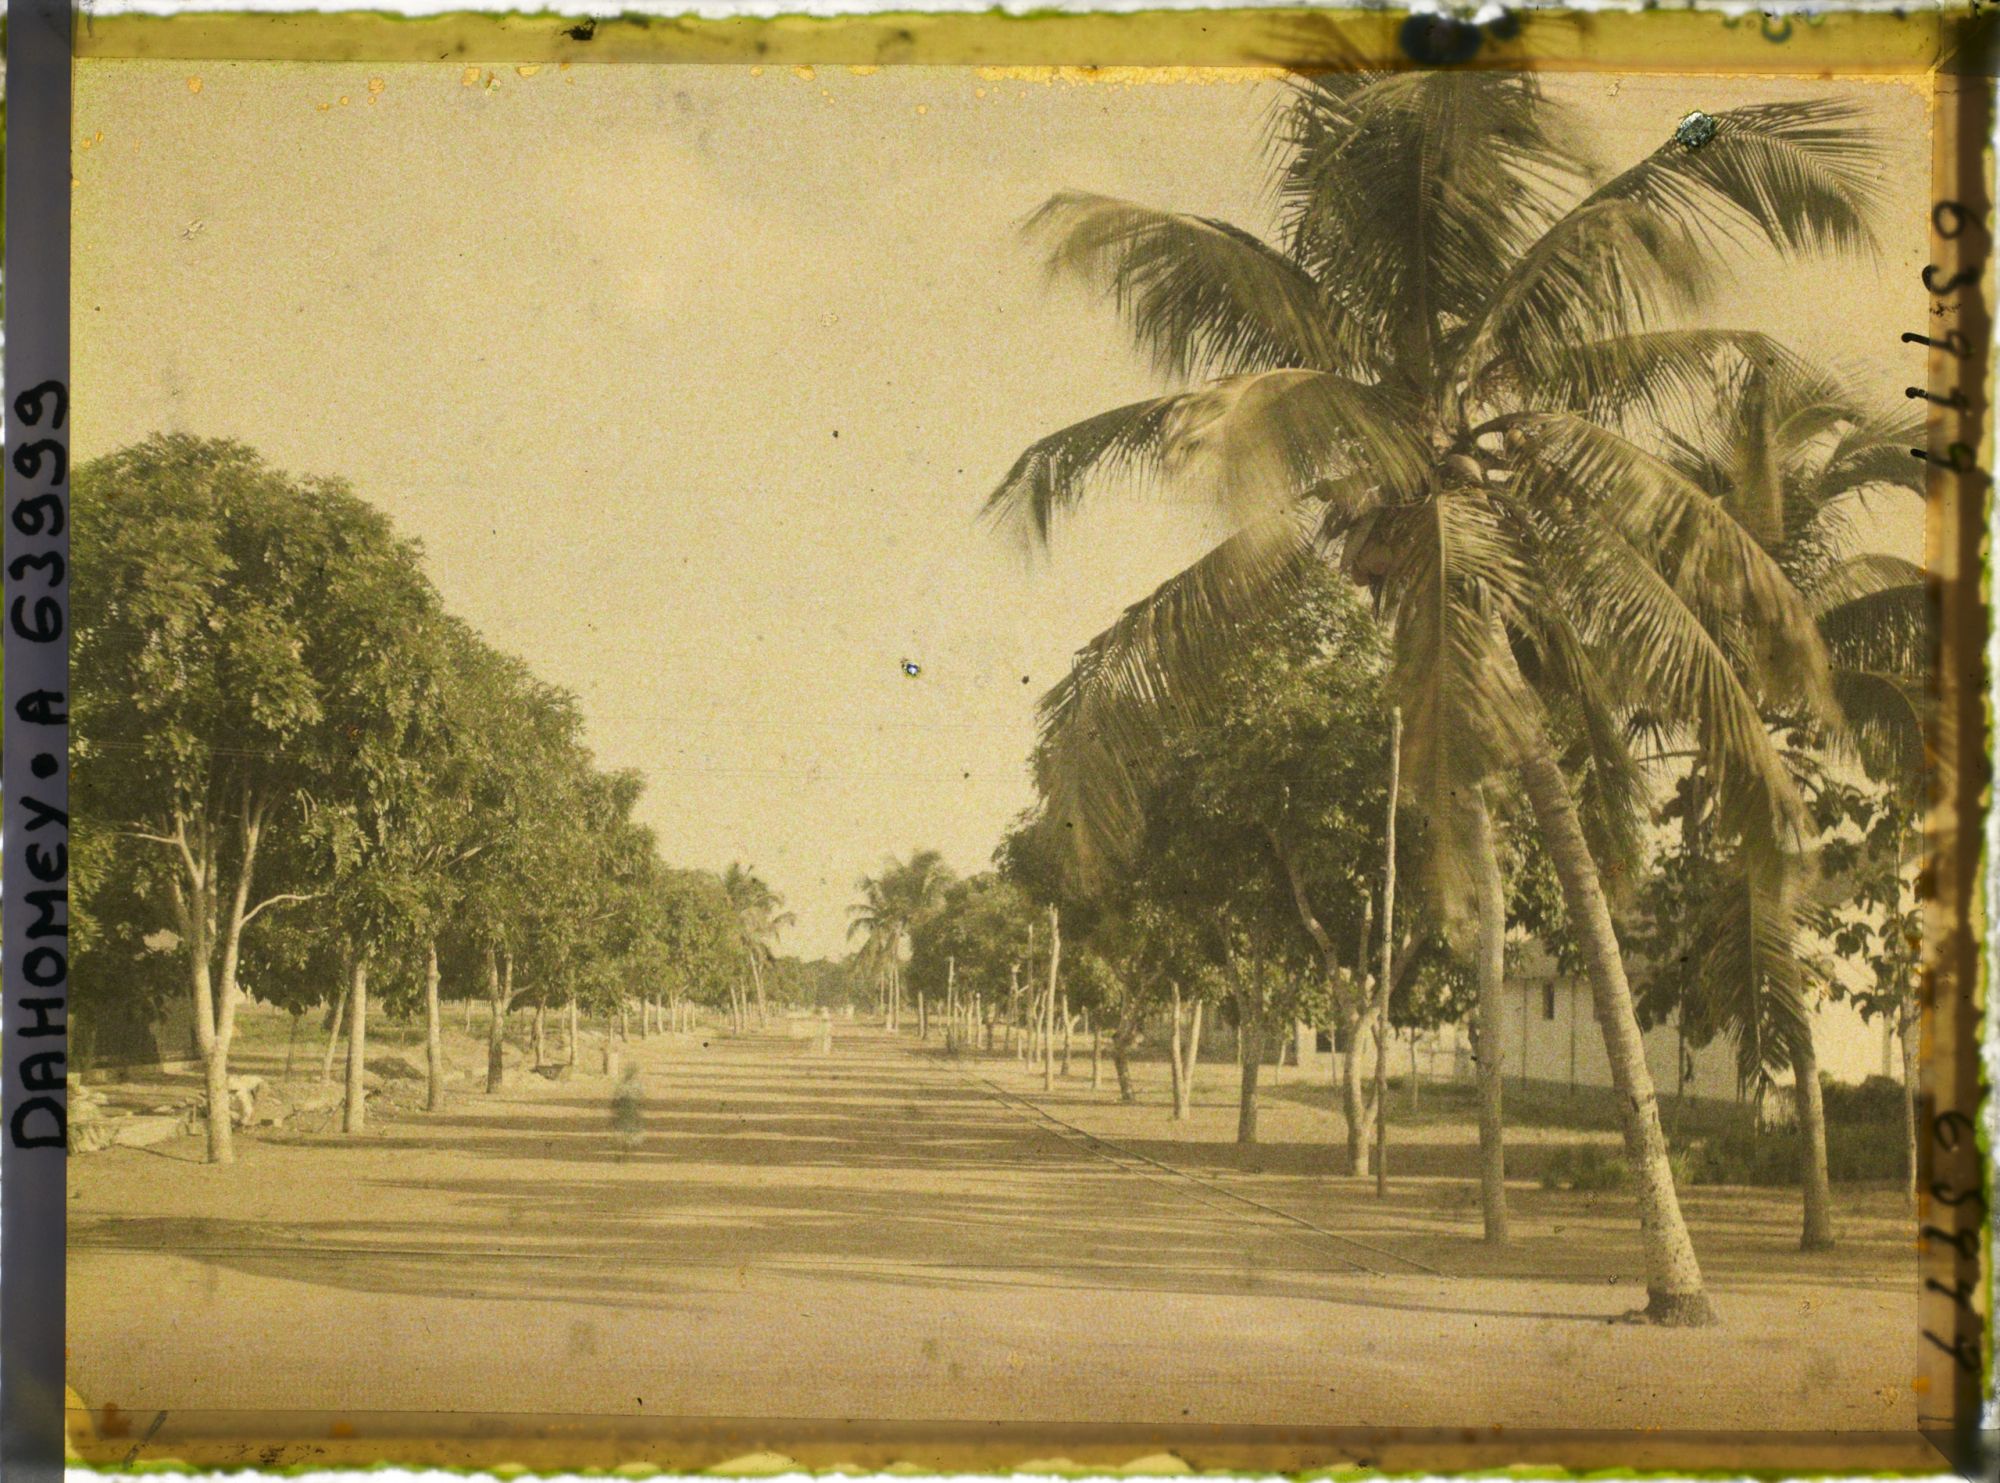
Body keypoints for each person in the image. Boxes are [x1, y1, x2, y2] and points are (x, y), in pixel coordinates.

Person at [610, 1061, 645, 1159]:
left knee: (624, 1129)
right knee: (629, 1129)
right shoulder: (637, 1085)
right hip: (630, 1109)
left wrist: (614, 1108)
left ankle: (625, 1147)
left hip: (624, 1109)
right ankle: (626, 1147)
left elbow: (616, 1098)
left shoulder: (622, 1084)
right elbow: (640, 1098)